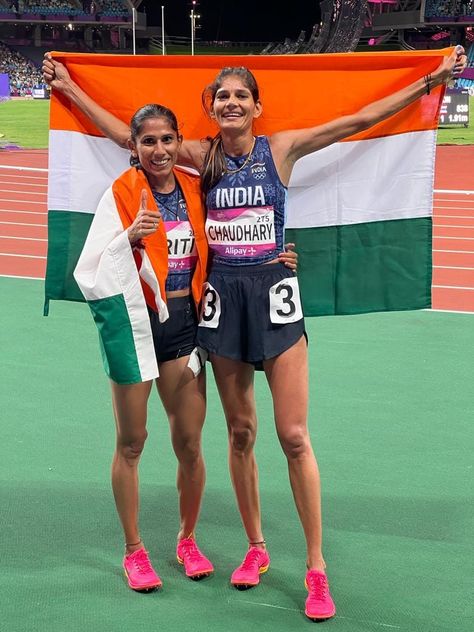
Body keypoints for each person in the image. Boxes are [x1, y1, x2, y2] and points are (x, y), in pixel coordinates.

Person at [43, 46, 466, 620]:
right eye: (223, 96)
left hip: (275, 297)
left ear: (257, 106)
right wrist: (68, 89)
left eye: (242, 95)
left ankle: (317, 569)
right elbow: (130, 136)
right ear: (212, 108)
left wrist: (428, 83)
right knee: (240, 433)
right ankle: (256, 548)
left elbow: (357, 121)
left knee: (294, 436)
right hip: (223, 304)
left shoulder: (282, 148)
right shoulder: (201, 155)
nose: (233, 102)